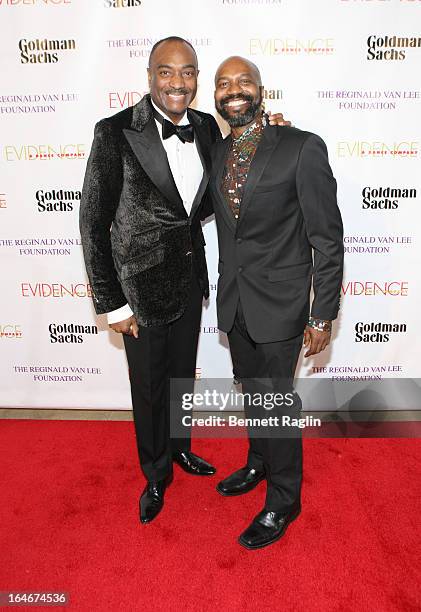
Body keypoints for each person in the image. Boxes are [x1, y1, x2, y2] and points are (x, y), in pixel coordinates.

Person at [80, 37, 288, 524]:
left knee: (179, 382)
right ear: (150, 75)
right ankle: (155, 474)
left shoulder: (205, 128)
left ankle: (180, 450)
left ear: (196, 79)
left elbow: (224, 189)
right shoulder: (114, 132)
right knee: (149, 388)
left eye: (188, 72)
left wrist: (269, 129)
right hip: (138, 288)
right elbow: (93, 222)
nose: (179, 82)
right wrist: (113, 302)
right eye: (167, 72)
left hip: (189, 279)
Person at [210, 56, 344, 549]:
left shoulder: (301, 147)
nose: (234, 89)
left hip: (284, 303)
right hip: (236, 301)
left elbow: (327, 238)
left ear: (263, 90)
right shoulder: (216, 151)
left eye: (244, 81)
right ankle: (259, 462)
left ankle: (284, 499)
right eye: (224, 84)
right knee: (255, 396)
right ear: (216, 98)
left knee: (277, 402)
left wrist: (322, 312)